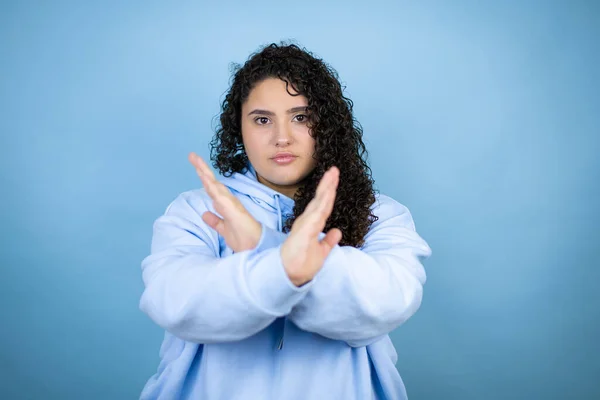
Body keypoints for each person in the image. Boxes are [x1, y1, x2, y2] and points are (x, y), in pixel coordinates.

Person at [139, 42, 432, 400]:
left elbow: (388, 301)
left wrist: (265, 247)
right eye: (262, 120)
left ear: (327, 124)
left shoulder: (381, 214)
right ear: (239, 127)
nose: (282, 138)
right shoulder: (199, 210)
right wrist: (283, 266)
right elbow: (176, 302)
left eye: (301, 117)